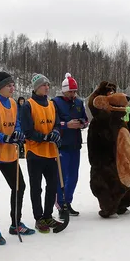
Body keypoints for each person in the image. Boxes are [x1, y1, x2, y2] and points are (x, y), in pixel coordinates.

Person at [0, 71, 33, 246]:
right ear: (1, 87)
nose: (13, 88)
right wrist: (4, 138)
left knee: (19, 187)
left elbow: (16, 122)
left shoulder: (12, 102)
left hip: (10, 154)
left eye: (13, 85)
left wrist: (17, 132)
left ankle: (15, 223)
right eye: (9, 85)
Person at [21, 73, 63, 233]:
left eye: (48, 85)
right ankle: (39, 218)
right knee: (36, 187)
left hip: (51, 153)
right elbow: (27, 131)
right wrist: (45, 137)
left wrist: (57, 132)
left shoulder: (52, 104)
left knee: (52, 186)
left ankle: (48, 215)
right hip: (35, 153)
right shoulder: (28, 106)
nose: (47, 87)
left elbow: (57, 123)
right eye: (43, 85)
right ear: (36, 87)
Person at [52, 73, 88, 218]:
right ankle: (60, 205)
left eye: (75, 91)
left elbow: (85, 119)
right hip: (62, 145)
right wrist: (66, 125)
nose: (73, 94)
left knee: (73, 176)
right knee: (62, 176)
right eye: (70, 91)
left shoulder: (79, 103)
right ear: (64, 90)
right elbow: (53, 123)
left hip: (75, 144)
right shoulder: (55, 102)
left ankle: (68, 202)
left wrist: (82, 123)